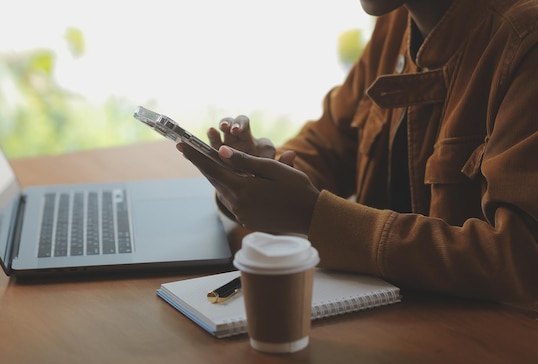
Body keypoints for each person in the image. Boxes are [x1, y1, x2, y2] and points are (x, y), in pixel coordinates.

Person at [176, 0, 538, 307]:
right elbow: (333, 141)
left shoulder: (525, 39)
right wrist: (259, 171)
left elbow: (521, 259)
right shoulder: (398, 20)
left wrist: (315, 216)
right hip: (391, 320)